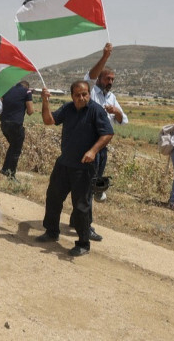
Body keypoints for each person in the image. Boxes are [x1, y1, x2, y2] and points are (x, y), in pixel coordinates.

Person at [35, 81, 114, 257]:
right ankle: (51, 232)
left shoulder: (96, 110)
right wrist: (45, 101)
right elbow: (49, 120)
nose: (81, 97)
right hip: (64, 163)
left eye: (85, 94)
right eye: (77, 95)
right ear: (72, 96)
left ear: (89, 94)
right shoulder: (68, 108)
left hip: (84, 168)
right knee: (53, 197)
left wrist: (93, 151)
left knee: (81, 206)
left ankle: (83, 243)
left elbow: (108, 133)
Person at [84, 42, 128, 202]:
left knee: (96, 180)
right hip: (89, 144)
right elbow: (90, 77)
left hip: (103, 147)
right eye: (107, 78)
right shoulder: (90, 91)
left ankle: (87, 209)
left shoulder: (111, 97)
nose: (110, 82)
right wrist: (105, 56)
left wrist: (116, 112)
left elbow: (123, 121)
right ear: (100, 79)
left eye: (112, 79)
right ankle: (82, 217)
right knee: (87, 181)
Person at [0, 81, 34, 179]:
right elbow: (30, 111)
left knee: (13, 145)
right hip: (15, 124)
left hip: (3, 123)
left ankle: (5, 169)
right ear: (27, 86)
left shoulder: (7, 90)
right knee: (16, 150)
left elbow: (0, 102)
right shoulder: (27, 91)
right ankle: (11, 174)